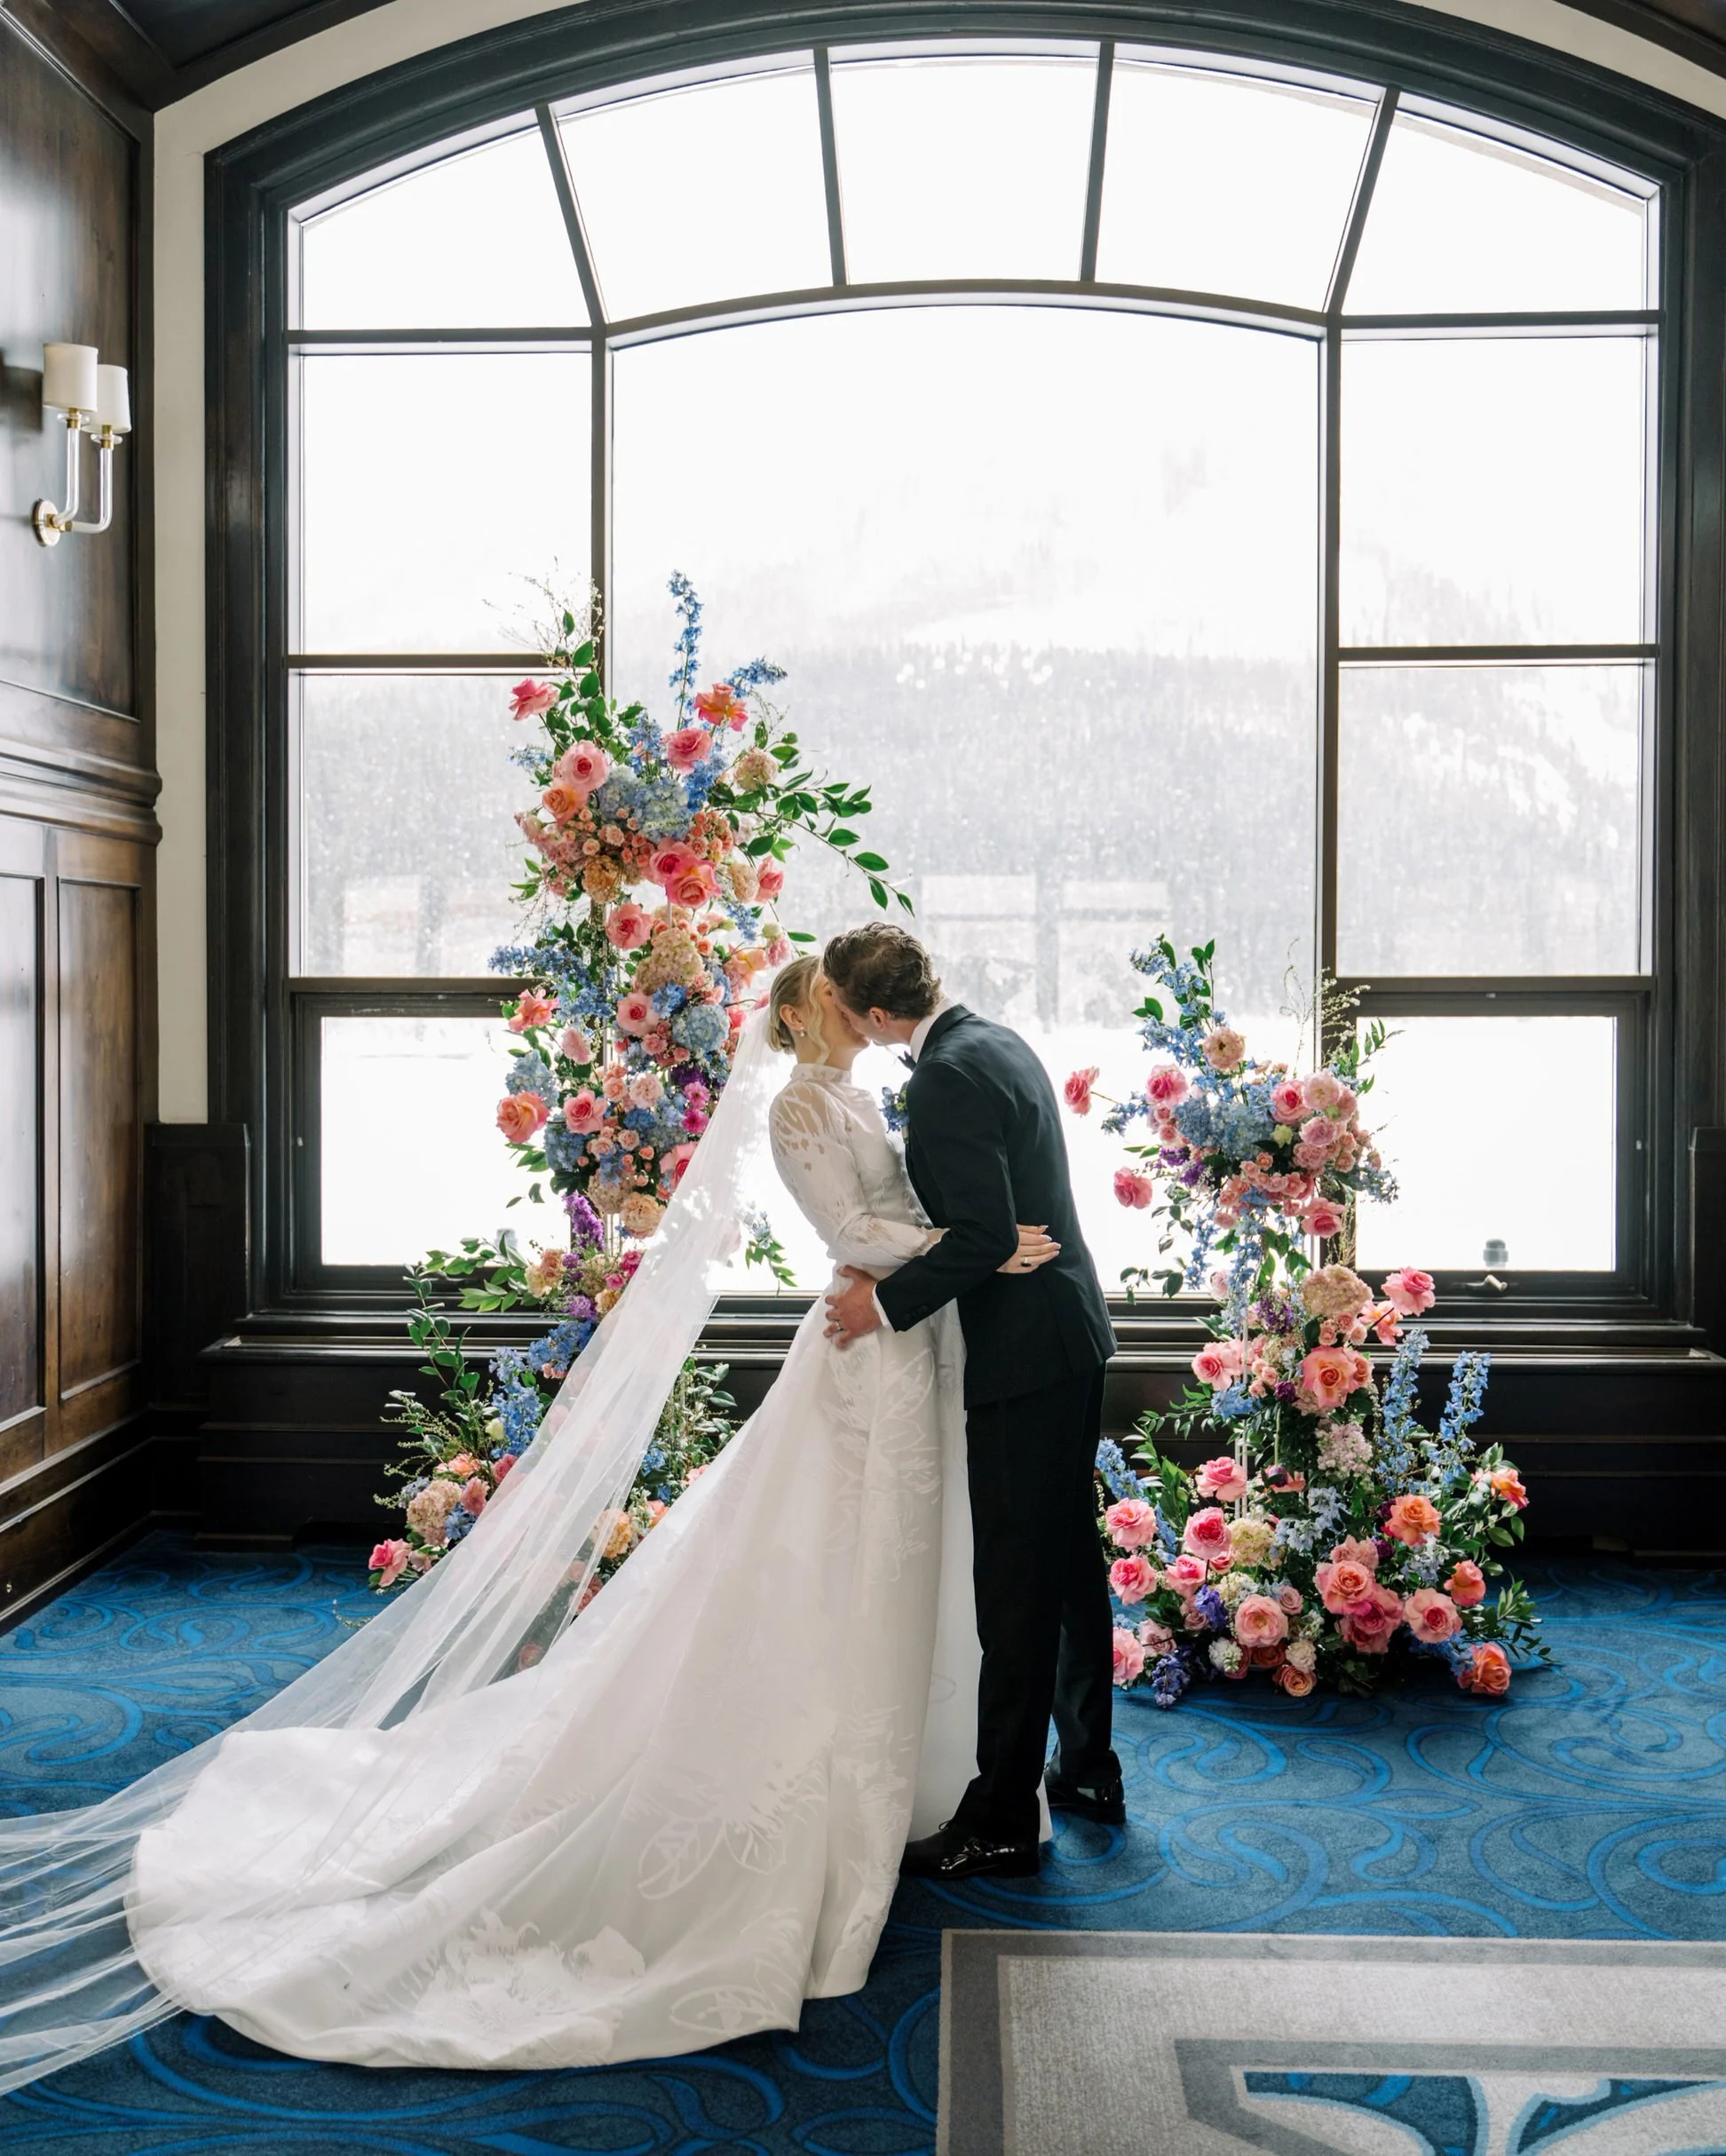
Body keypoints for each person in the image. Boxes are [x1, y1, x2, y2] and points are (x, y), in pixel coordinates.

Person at [0, 963, 1059, 2087]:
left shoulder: (867, 1093)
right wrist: (979, 1248)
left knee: (903, 1564)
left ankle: (924, 1776)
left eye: (862, 1001)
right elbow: (848, 1223)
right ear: (807, 1014)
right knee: (826, 1562)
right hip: (863, 1351)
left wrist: (962, 1244)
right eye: (839, 1002)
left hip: (908, 1347)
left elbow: (908, 1211)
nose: (856, 1017)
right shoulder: (803, 1102)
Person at [820, 923, 1122, 1883]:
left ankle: (999, 1816)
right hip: (1074, 1332)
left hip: (1026, 1354)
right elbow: (999, 1221)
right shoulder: (996, 1037)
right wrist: (986, 1241)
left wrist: (883, 1302)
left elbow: (986, 1226)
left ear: (875, 1015)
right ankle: (1088, 1768)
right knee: (1070, 1562)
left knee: (1017, 1590)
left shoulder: (943, 1075)